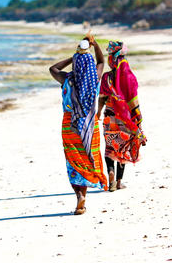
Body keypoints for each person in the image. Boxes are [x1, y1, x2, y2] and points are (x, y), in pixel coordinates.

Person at [49, 35, 107, 215]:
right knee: (88, 160)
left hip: (70, 125)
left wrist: (74, 55)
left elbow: (53, 68)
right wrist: (94, 44)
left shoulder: (67, 79)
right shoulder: (95, 79)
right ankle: (84, 195)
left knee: (73, 162)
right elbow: (101, 61)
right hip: (90, 125)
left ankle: (79, 197)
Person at [98, 41, 147, 191]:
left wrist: (98, 112)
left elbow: (101, 98)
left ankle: (110, 173)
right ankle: (118, 182)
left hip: (109, 116)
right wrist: (138, 119)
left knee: (109, 147)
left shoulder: (106, 77)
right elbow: (133, 100)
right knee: (123, 147)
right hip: (125, 118)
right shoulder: (129, 77)